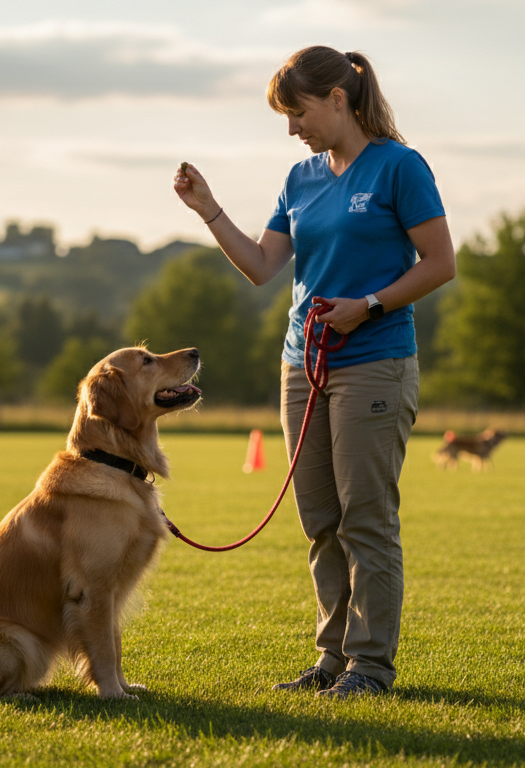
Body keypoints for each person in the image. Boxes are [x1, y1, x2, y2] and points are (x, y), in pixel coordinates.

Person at [173, 46, 456, 699]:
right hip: (301, 366)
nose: (292, 129)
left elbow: (440, 263)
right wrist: (209, 210)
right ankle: (331, 660)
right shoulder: (299, 178)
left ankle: (371, 668)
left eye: (297, 113)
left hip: (375, 362)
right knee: (321, 520)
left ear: (338, 98)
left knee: (366, 518)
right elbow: (262, 266)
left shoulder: (399, 167)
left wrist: (371, 305)